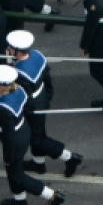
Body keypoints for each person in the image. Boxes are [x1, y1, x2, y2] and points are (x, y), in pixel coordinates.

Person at [7, 30, 82, 180]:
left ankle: (69, 157)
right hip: (42, 98)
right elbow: (47, 77)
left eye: (10, 47)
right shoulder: (37, 55)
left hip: (33, 107)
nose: (8, 48)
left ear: (17, 51)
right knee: (38, 134)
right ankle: (38, 164)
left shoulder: (20, 74)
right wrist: (47, 96)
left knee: (37, 139)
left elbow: (24, 98)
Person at [0, 65, 65, 205]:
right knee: (13, 175)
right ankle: (19, 200)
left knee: (17, 176)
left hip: (14, 141)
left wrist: (8, 157)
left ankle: (52, 196)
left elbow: (8, 135)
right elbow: (28, 106)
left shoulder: (3, 108)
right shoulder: (19, 91)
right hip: (23, 131)